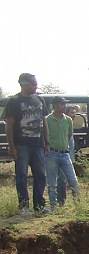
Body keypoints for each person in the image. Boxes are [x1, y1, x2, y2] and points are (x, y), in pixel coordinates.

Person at [2, 73, 49, 214]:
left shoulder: (39, 100)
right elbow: (9, 125)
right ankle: (23, 206)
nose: (35, 86)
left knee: (40, 174)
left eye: (36, 83)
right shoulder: (14, 101)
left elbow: (44, 122)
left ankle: (39, 206)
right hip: (21, 144)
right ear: (23, 83)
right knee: (21, 175)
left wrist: (47, 142)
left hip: (38, 144)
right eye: (33, 83)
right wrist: (11, 146)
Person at [44, 96, 79, 209]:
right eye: (62, 104)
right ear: (55, 105)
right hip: (52, 153)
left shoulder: (68, 120)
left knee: (73, 181)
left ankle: (79, 205)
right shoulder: (47, 120)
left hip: (65, 153)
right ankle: (53, 206)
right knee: (52, 183)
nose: (64, 106)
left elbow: (69, 136)